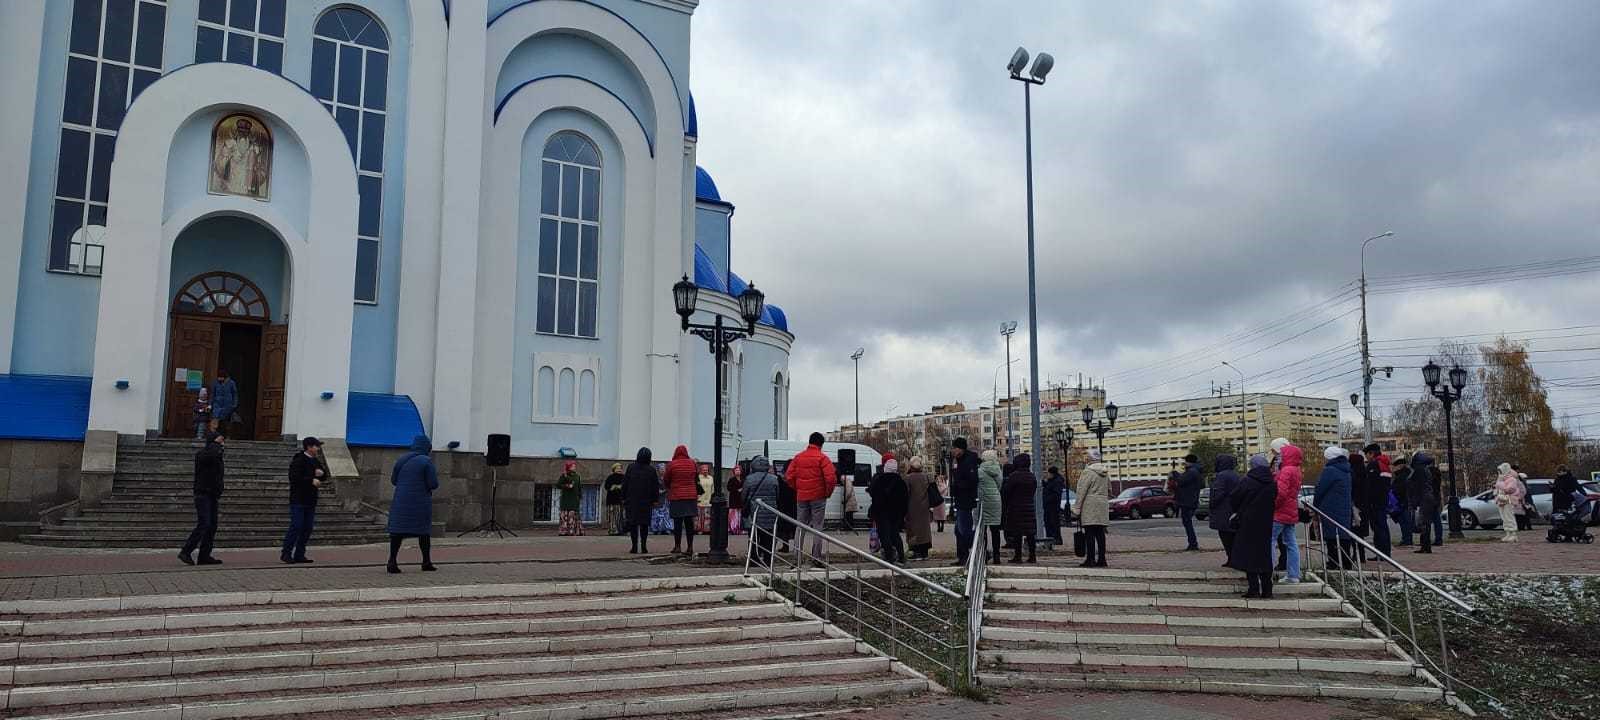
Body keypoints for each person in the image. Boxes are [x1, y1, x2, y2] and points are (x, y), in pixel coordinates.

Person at [1228, 453, 1279, 599]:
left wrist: (1240, 510)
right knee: (1264, 556)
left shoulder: (1247, 481)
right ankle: (1267, 590)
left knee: (1248, 555)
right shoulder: (1272, 482)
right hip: (1265, 523)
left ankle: (1253, 588)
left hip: (1247, 523)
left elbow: (1234, 498)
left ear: (1253, 466)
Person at [386, 434, 439, 573]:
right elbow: (433, 484)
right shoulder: (426, 461)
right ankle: (426, 562)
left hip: (400, 502)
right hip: (419, 503)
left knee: (397, 533)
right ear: (427, 448)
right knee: (423, 533)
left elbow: (394, 481)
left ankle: (392, 561)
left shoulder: (401, 459)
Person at [786, 432, 837, 560]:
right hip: (819, 497)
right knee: (817, 526)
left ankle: (796, 556)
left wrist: (798, 488)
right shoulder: (823, 458)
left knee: (800, 525)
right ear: (821, 444)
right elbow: (831, 479)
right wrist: (827, 493)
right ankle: (816, 556)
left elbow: (789, 476)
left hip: (802, 497)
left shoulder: (798, 458)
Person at [180, 431, 226, 566]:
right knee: (204, 523)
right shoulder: (204, 454)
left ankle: (204, 555)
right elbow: (209, 457)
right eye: (220, 440)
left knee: (212, 525)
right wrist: (216, 446)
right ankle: (186, 551)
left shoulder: (217, 455)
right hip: (203, 493)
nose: (222, 443)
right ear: (212, 442)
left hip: (212, 493)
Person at [282, 437, 323, 564]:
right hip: (298, 499)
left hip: (311, 499)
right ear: (309, 447)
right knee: (296, 526)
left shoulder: (315, 460)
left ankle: (300, 554)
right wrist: (311, 479)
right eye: (316, 446)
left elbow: (323, 474)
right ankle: (286, 553)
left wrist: (322, 474)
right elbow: (294, 478)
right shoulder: (299, 460)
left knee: (307, 528)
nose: (318, 448)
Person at [1314, 446, 1355, 569]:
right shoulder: (1346, 470)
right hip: (1343, 508)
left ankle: (1334, 563)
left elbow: (1320, 489)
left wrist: (1315, 506)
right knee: (1343, 536)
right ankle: (1346, 563)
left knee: (1332, 537)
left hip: (1330, 509)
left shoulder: (1330, 470)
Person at [1272, 443, 1303, 582]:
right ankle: (1294, 574)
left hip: (1280, 512)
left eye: (1281, 455)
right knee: (1291, 543)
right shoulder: (1296, 470)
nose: (1279, 457)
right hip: (1290, 511)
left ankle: (1268, 572)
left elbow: (1281, 493)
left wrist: (1273, 505)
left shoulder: (1286, 471)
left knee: (1270, 541)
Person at [868, 458, 909, 564]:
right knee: (895, 534)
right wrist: (903, 514)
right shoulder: (900, 482)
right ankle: (901, 556)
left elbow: (873, 494)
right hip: (896, 514)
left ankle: (889, 557)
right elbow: (905, 500)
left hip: (881, 513)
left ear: (885, 468)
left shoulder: (879, 480)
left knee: (884, 535)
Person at [1073, 449, 1110, 568]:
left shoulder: (1088, 472)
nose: (1086, 459)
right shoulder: (1105, 472)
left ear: (1090, 459)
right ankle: (1102, 559)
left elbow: (1081, 491)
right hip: (1102, 504)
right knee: (1100, 532)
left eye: (1087, 457)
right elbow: (1109, 489)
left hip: (1090, 505)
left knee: (1089, 532)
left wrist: (1077, 508)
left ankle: (1090, 559)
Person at [742, 455, 781, 564]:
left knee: (753, 537)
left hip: (754, 512)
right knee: (768, 537)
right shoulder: (774, 479)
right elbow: (778, 496)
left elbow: (744, 496)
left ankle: (754, 559)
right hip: (770, 513)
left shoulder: (749, 479)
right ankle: (768, 560)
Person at [663, 446, 701, 556]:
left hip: (676, 496)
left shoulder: (672, 464)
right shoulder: (692, 463)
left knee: (677, 523)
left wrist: (670, 487)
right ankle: (690, 547)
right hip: (690, 496)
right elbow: (696, 478)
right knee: (689, 523)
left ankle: (677, 546)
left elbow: (666, 479)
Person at [1002, 453, 1039, 564]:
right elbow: (1033, 490)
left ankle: (1018, 556)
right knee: (1030, 533)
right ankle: (1032, 556)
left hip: (1016, 508)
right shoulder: (1032, 476)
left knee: (1017, 533)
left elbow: (1006, 492)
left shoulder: (1014, 476)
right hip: (1029, 507)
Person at [623, 448, 660, 554]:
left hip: (632, 500)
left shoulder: (631, 467)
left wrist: (623, 497)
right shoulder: (651, 470)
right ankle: (644, 546)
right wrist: (655, 499)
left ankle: (634, 547)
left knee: (633, 524)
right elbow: (655, 486)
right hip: (646, 501)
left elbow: (625, 483)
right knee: (644, 525)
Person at [949, 438, 980, 565]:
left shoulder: (968, 462)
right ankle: (963, 556)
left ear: (960, 449)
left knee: (964, 530)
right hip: (960, 499)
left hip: (966, 500)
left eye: (954, 448)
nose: (953, 451)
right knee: (958, 530)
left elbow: (972, 480)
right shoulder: (959, 461)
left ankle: (979, 548)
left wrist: (958, 486)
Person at [1207, 454, 1241, 559]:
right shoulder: (1236, 475)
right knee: (1233, 537)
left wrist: (1212, 504)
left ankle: (1231, 558)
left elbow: (1218, 493)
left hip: (1223, 511)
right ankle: (1235, 558)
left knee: (1226, 536)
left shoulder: (1222, 476)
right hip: (1233, 509)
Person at [902, 456, 935, 560]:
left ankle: (915, 552)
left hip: (912, 508)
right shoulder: (926, 477)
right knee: (924, 530)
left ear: (911, 466)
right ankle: (925, 553)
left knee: (913, 530)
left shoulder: (908, 478)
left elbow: (905, 494)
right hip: (925, 508)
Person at [1362, 443, 1392, 557]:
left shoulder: (1374, 465)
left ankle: (1381, 553)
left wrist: (1368, 500)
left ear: (1372, 453)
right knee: (1383, 526)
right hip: (1383, 500)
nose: (1366, 457)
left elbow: (1369, 485)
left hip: (1375, 502)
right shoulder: (1385, 464)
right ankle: (1386, 552)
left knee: (1378, 527)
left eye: (1367, 454)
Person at [1407, 452, 1438, 553]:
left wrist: (1414, 502)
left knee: (1423, 523)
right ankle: (1425, 546)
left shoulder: (1419, 470)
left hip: (1423, 499)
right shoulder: (1426, 470)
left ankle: (1425, 546)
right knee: (1426, 523)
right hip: (1428, 498)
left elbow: (1416, 487)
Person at [978, 449, 1004, 563]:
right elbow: (1000, 484)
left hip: (983, 501)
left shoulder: (980, 470)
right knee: (995, 530)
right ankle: (997, 555)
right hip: (995, 500)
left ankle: (984, 555)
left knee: (983, 530)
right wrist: (995, 492)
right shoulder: (998, 469)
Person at [1175, 454, 1203, 551]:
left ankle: (1193, 544)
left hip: (1187, 501)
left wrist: (1175, 474)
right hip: (1191, 500)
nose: (1184, 464)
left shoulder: (1192, 471)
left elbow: (1181, 481)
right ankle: (1192, 543)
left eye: (1185, 461)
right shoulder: (1196, 471)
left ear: (1189, 462)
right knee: (1187, 522)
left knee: (1187, 522)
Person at [1494, 463, 1524, 543]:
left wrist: (1499, 484)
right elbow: (1497, 490)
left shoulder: (1512, 479)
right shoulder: (1501, 479)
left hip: (1509, 500)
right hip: (1501, 500)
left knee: (1509, 516)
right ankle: (1508, 533)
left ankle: (1513, 534)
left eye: (1501, 471)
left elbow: (1509, 489)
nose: (1499, 473)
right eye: (1499, 471)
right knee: (1504, 518)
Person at [555, 461, 584, 536]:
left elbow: (579, 487)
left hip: (574, 499)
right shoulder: (564, 475)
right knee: (565, 515)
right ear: (569, 467)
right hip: (566, 499)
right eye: (572, 466)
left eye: (574, 465)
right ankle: (564, 531)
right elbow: (558, 485)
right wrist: (567, 486)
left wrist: (580, 495)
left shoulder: (577, 476)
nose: (574, 467)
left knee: (573, 514)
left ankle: (574, 530)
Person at [1393, 455, 1413, 547]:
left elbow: (1399, 489)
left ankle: (1406, 540)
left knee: (1404, 522)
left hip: (1402, 502)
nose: (1394, 467)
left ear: (1400, 465)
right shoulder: (1408, 474)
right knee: (1406, 522)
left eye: (1395, 465)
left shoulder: (1401, 476)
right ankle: (1407, 539)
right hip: (1406, 501)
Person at [1042, 466, 1066, 544]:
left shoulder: (1057, 481)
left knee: (1053, 523)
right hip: (1050, 506)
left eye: (1048, 473)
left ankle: (1055, 539)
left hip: (1052, 507)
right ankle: (1052, 538)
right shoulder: (1053, 481)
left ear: (1052, 473)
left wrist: (1047, 499)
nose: (1047, 475)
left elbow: (1055, 493)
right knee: (1051, 523)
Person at [210, 370, 238, 436]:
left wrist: (234, 404)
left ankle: (226, 435)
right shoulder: (215, 383)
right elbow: (213, 394)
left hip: (227, 405)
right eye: (218, 377)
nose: (219, 379)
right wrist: (210, 404)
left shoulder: (231, 383)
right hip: (217, 404)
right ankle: (213, 435)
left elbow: (235, 394)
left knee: (226, 421)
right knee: (215, 419)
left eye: (221, 377)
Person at [603, 463, 626, 535]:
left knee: (620, 516)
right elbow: (606, 486)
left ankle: (621, 530)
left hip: (621, 500)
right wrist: (612, 487)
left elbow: (627, 486)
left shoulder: (624, 477)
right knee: (612, 516)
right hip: (612, 500)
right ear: (614, 469)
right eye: (617, 468)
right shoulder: (610, 477)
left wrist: (621, 487)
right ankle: (612, 530)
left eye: (620, 468)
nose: (619, 469)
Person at [695, 463, 715, 535]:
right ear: (701, 470)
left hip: (708, 499)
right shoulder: (698, 478)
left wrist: (712, 497)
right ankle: (699, 529)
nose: (705, 471)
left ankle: (707, 529)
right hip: (700, 499)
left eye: (706, 470)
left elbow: (713, 489)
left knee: (707, 516)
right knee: (700, 516)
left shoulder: (711, 478)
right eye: (703, 470)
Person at [727, 462, 745, 535]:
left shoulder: (743, 479)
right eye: (736, 470)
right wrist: (737, 490)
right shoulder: (732, 479)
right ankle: (733, 528)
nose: (738, 471)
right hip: (733, 499)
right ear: (734, 472)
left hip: (740, 499)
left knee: (739, 514)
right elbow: (729, 488)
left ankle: (739, 528)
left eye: (739, 470)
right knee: (733, 514)